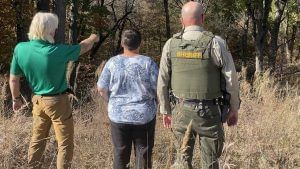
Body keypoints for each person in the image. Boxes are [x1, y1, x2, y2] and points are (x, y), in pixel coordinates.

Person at [9, 12, 99, 169]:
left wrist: (16, 99)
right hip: (58, 103)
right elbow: (83, 47)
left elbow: (13, 79)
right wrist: (93, 37)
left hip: (37, 101)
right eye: (54, 29)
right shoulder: (56, 51)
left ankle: (33, 167)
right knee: (65, 144)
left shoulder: (20, 49)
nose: (55, 31)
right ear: (49, 31)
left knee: (37, 141)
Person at [157, 2, 240, 169]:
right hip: (208, 112)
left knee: (182, 160)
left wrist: (165, 110)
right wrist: (234, 108)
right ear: (203, 18)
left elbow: (163, 81)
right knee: (210, 162)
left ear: (181, 20)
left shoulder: (170, 45)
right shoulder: (216, 43)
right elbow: (231, 79)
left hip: (180, 110)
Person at [97, 30, 158, 169]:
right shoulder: (148, 62)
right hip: (144, 116)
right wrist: (157, 103)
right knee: (144, 153)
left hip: (118, 116)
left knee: (120, 153)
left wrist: (111, 101)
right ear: (140, 43)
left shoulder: (112, 62)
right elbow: (158, 88)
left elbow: (101, 88)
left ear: (122, 43)